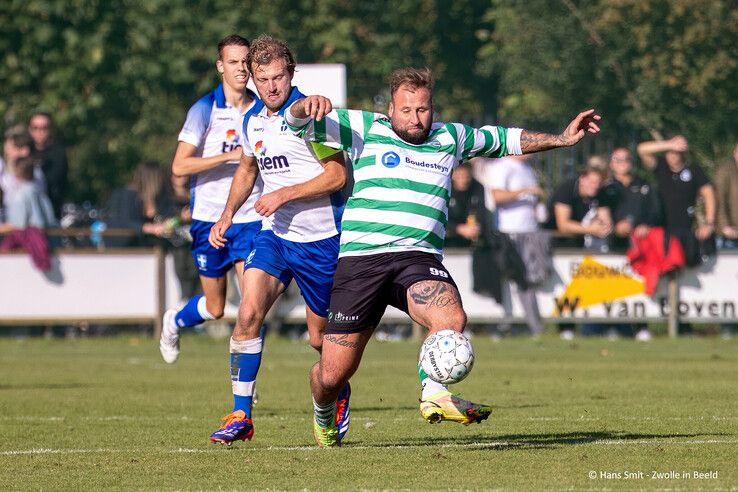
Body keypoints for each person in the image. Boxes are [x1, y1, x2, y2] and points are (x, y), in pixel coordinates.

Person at [286, 67, 601, 446]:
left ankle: (434, 394)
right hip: (361, 262)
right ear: (391, 108)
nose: (415, 118)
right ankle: (323, 412)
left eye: (422, 109)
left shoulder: (451, 137)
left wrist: (563, 139)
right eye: (406, 110)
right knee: (333, 374)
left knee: (451, 315)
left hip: (415, 259)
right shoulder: (365, 127)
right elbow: (297, 124)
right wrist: (303, 107)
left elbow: (505, 139)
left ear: (431, 107)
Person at [207, 35, 350, 445]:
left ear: (292, 73)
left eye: (279, 77)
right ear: (251, 78)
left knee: (321, 341)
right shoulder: (253, 119)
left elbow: (337, 176)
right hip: (274, 237)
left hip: (321, 240)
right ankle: (241, 414)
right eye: (263, 78)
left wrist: (283, 194)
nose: (272, 86)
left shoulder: (310, 116)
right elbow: (248, 170)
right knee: (248, 313)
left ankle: (336, 391)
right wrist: (228, 214)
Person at [158, 35, 263, 366]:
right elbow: (179, 165)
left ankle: (247, 381)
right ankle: (174, 321)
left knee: (252, 306)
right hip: (208, 218)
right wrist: (227, 157)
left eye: (246, 61)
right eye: (233, 62)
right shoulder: (205, 109)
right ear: (221, 66)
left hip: (249, 218)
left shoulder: (262, 108)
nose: (241, 68)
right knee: (216, 308)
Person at [544, 159, 613, 339]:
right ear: (582, 179)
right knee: (563, 287)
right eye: (591, 182)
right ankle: (565, 327)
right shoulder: (567, 188)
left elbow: (606, 220)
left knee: (581, 287)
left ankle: (588, 328)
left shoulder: (599, 192)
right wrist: (592, 229)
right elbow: (563, 225)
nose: (595, 186)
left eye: (598, 183)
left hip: (580, 244)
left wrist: (604, 225)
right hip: (557, 243)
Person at [486, 154, 549, 337]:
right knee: (515, 279)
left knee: (531, 278)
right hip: (509, 231)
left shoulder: (528, 169)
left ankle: (532, 325)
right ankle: (506, 324)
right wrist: (524, 191)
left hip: (530, 231)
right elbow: (496, 196)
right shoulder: (502, 167)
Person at [603, 147, 662, 340]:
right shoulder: (607, 188)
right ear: (612, 164)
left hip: (641, 245)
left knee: (638, 286)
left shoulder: (643, 185)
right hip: (616, 245)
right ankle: (616, 327)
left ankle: (641, 327)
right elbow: (601, 214)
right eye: (618, 160)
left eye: (626, 160)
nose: (622, 164)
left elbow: (656, 212)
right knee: (616, 286)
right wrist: (615, 226)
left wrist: (646, 225)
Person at [637, 135, 716, 266]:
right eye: (669, 153)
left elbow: (709, 194)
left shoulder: (694, 170)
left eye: (676, 153)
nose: (671, 156)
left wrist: (709, 223)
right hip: (663, 230)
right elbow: (641, 149)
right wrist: (669, 144)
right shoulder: (661, 167)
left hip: (687, 230)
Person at [104, 161, 176, 247]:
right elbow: (127, 222)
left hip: (147, 246)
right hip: (122, 246)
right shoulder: (128, 195)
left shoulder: (161, 198)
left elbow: (166, 215)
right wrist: (152, 228)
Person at [28, 111, 68, 218]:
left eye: (44, 128)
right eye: (35, 128)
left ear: (50, 130)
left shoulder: (58, 154)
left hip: (49, 214)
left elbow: (53, 181)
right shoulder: (26, 151)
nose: (39, 132)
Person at [446, 163, 483, 248]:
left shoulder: (478, 187)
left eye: (466, 176)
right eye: (459, 176)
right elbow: (439, 216)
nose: (463, 180)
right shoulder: (445, 188)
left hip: (471, 237)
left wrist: (476, 227)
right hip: (447, 240)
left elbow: (481, 212)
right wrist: (458, 228)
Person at [715, 142, 738, 250]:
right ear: (735, 153)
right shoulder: (725, 171)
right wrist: (725, 225)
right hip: (730, 235)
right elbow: (718, 200)